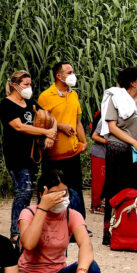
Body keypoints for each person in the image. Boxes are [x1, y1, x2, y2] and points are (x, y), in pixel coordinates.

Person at [0, 70, 57, 241]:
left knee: (29, 190)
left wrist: (50, 133)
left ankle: (25, 225)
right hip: (15, 155)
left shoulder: (30, 103)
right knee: (23, 191)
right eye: (25, 85)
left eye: (30, 84)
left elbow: (50, 118)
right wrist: (45, 131)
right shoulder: (7, 104)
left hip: (32, 154)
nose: (28, 88)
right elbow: (19, 126)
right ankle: (16, 232)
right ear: (15, 85)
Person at [99, 67, 137, 245]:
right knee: (115, 191)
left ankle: (134, 230)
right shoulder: (117, 98)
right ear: (132, 82)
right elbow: (112, 127)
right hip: (119, 149)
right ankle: (110, 231)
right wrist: (135, 143)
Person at [37, 61, 88, 216]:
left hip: (72, 152)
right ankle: (47, 221)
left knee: (75, 188)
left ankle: (79, 223)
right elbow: (40, 122)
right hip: (52, 154)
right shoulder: (46, 96)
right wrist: (60, 126)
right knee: (52, 189)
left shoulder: (73, 94)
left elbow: (77, 121)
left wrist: (83, 141)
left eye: (72, 72)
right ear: (59, 76)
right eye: (69, 72)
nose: (73, 75)